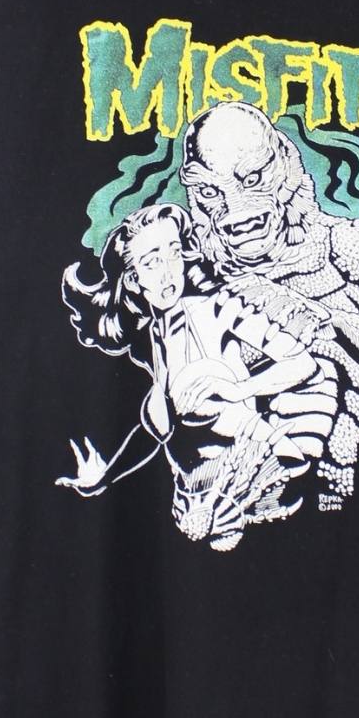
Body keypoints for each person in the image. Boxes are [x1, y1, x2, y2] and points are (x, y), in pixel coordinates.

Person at [57, 202, 338, 551]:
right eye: (152, 261)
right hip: (195, 505)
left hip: (263, 481)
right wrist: (103, 478)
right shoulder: (153, 339)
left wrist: (239, 389)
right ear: (133, 279)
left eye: (174, 253)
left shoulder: (219, 309)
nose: (168, 272)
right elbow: (155, 431)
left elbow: (303, 364)